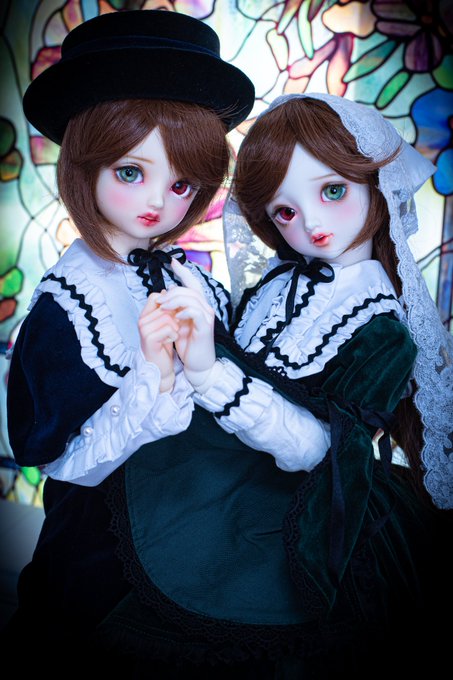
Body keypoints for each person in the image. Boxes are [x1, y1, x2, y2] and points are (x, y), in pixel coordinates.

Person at [97, 94, 453, 678]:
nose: (311, 224)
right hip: (230, 480)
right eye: (284, 211)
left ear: (376, 186)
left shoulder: (380, 328)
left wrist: (213, 376)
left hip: (308, 514)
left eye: (332, 191)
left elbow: (325, 452)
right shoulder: (278, 286)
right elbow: (249, 355)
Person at [3, 8, 255, 674]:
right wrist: (153, 375)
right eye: (130, 172)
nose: (158, 204)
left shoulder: (191, 281)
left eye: (181, 184)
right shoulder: (68, 308)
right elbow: (61, 461)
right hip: (101, 550)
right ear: (83, 164)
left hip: (200, 536)